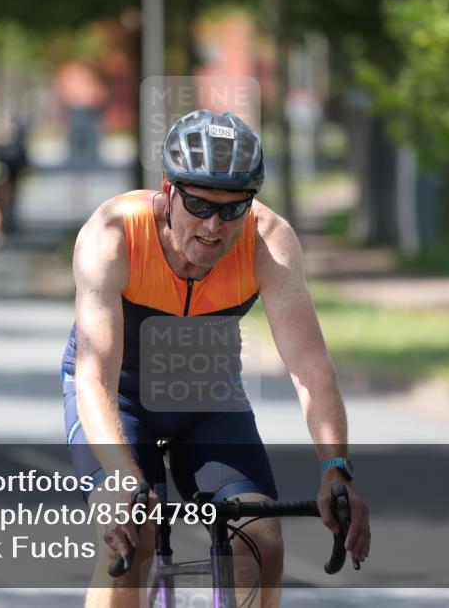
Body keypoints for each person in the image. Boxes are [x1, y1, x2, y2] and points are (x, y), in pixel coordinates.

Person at [62, 110, 371, 608]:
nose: (213, 226)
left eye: (232, 210)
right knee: (131, 538)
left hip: (207, 402)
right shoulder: (113, 233)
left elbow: (311, 369)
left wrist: (335, 468)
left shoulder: (268, 240)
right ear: (167, 190)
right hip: (119, 402)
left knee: (261, 541)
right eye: (198, 204)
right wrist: (122, 480)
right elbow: (95, 376)